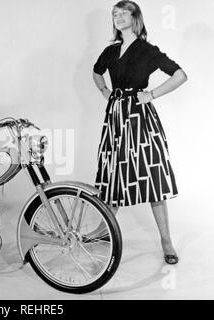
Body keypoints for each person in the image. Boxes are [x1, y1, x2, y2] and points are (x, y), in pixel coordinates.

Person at [92, 1, 187, 264]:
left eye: (124, 13)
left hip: (140, 120)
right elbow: (97, 72)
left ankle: (166, 241)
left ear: (136, 18)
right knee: (113, 176)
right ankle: (103, 230)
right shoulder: (110, 51)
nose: (118, 16)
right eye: (115, 13)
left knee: (152, 178)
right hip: (114, 117)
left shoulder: (147, 50)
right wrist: (104, 91)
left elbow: (180, 75)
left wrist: (152, 94)